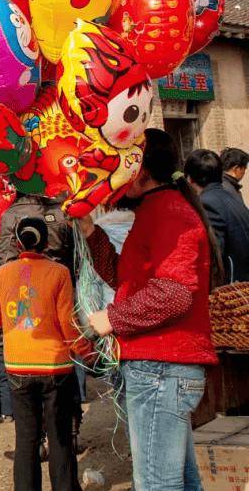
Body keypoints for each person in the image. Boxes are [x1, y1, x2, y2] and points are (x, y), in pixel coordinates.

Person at [81, 128, 221, 491]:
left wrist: (113, 318)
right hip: (160, 366)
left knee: (156, 484)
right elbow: (127, 278)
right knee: (180, 481)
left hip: (161, 368)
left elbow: (174, 293)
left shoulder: (169, 212)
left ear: (139, 169)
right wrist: (91, 232)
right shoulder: (158, 209)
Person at [0, 217, 92, 491]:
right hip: (54, 367)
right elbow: (67, 324)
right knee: (59, 437)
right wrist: (87, 352)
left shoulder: (3, 273)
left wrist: (18, 323)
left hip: (17, 366)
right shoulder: (59, 273)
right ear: (46, 243)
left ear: (17, 243)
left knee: (26, 439)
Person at [186, 149, 249, 283]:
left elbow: (214, 256)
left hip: (231, 287)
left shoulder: (207, 203)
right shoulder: (229, 196)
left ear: (189, 179)